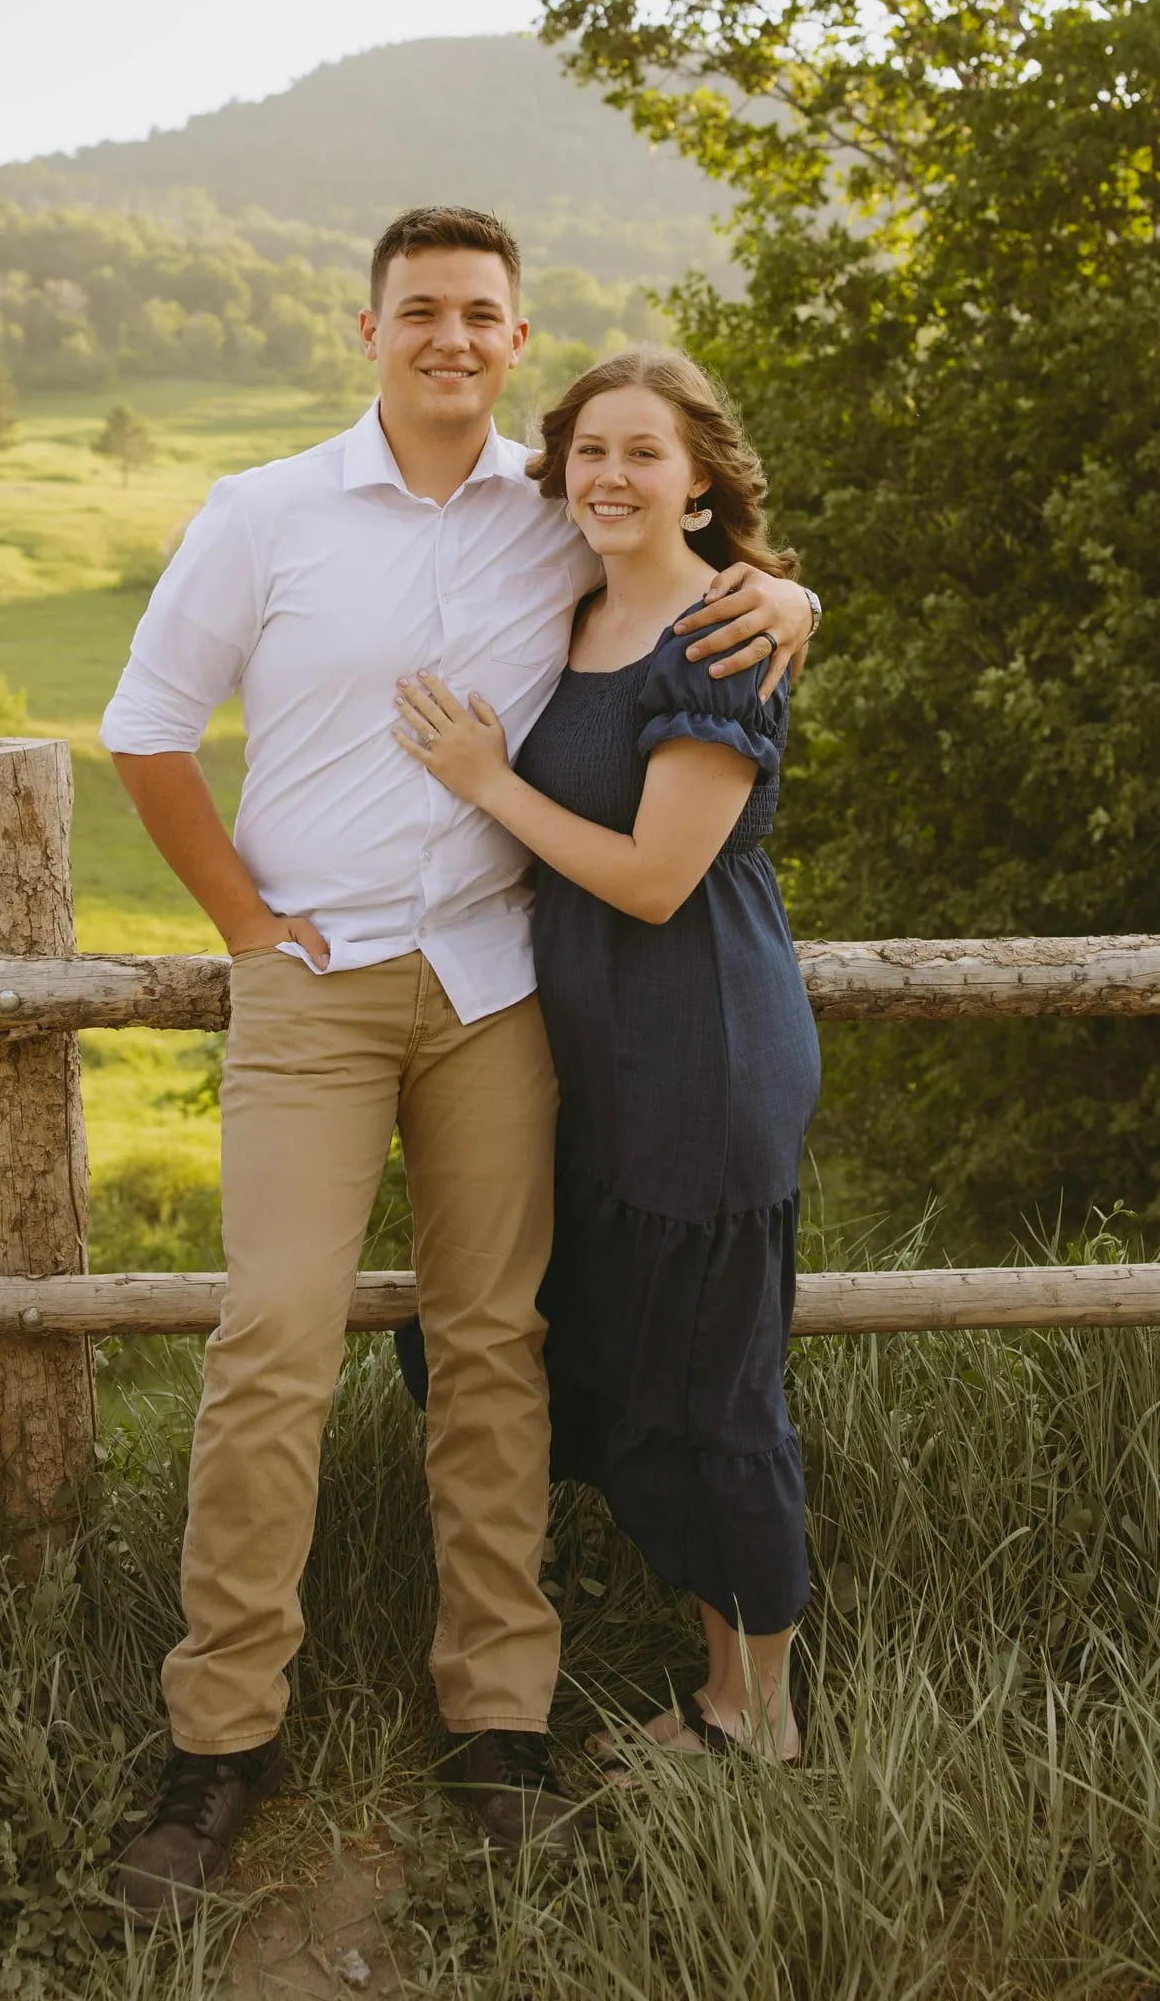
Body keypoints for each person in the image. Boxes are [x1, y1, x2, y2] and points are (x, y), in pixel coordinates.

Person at [99, 207, 820, 1915]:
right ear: (368, 334)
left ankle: (498, 1723)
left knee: (493, 1346)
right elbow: (143, 729)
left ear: (515, 343)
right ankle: (219, 1745)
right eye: (417, 312)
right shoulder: (263, 513)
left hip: (499, 992)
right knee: (272, 1339)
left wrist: (791, 588)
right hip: (320, 983)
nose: (448, 338)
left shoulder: (554, 511)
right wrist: (244, 927)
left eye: (479, 317)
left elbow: (687, 568)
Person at [392, 345, 821, 1764]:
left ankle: (753, 1716)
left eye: (644, 453)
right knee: (564, 1351)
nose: (612, 477)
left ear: (701, 478)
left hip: (701, 1056)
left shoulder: (721, 639)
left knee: (714, 1393)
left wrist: (487, 781)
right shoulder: (578, 612)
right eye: (588, 451)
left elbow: (652, 879)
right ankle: (693, 1659)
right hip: (596, 1067)